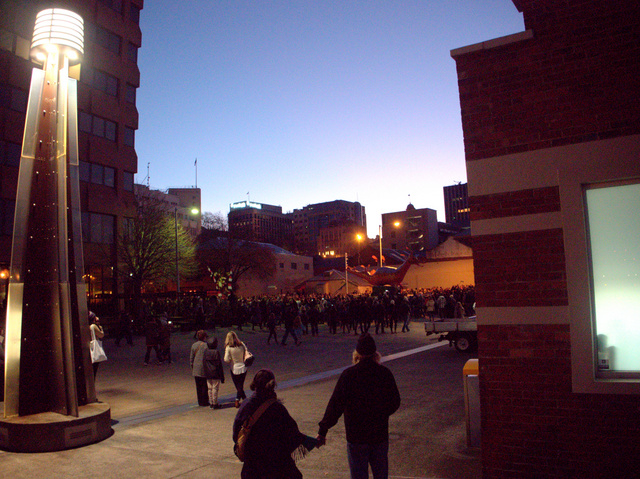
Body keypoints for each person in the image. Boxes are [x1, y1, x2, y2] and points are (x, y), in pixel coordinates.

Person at [317, 333, 400, 479]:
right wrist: (380, 414)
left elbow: (335, 405)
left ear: (357, 353)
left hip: (356, 436)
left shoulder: (348, 375)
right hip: (379, 434)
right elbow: (395, 402)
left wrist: (323, 430)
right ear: (375, 352)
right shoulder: (384, 373)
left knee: (358, 475)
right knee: (381, 474)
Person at [233, 369, 317, 479]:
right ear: (272, 386)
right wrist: (313, 441)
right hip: (276, 466)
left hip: (252, 468)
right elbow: (293, 435)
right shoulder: (277, 409)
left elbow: (236, 435)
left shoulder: (246, 405)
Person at [224, 331, 248, 408]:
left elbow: (226, 359)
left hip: (234, 368)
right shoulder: (242, 344)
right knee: (240, 385)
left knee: (238, 386)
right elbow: (246, 352)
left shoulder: (228, 348)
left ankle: (238, 400)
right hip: (244, 367)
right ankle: (244, 399)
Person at [203, 337, 225, 409]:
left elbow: (204, 363)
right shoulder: (216, 352)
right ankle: (215, 403)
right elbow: (219, 365)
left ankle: (211, 402)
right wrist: (222, 376)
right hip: (215, 373)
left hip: (208, 373)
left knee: (209, 388)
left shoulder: (206, 351)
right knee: (215, 388)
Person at [190, 330, 210, 406]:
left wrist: (193, 367)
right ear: (204, 337)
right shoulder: (206, 345)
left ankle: (200, 401)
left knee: (198, 386)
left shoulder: (194, 345)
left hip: (196, 369)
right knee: (204, 385)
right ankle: (205, 401)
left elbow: (191, 359)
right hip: (204, 368)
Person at [89, 312, 105, 378]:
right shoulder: (93, 326)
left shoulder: (87, 325)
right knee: (94, 369)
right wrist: (100, 328)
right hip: (93, 349)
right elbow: (101, 335)